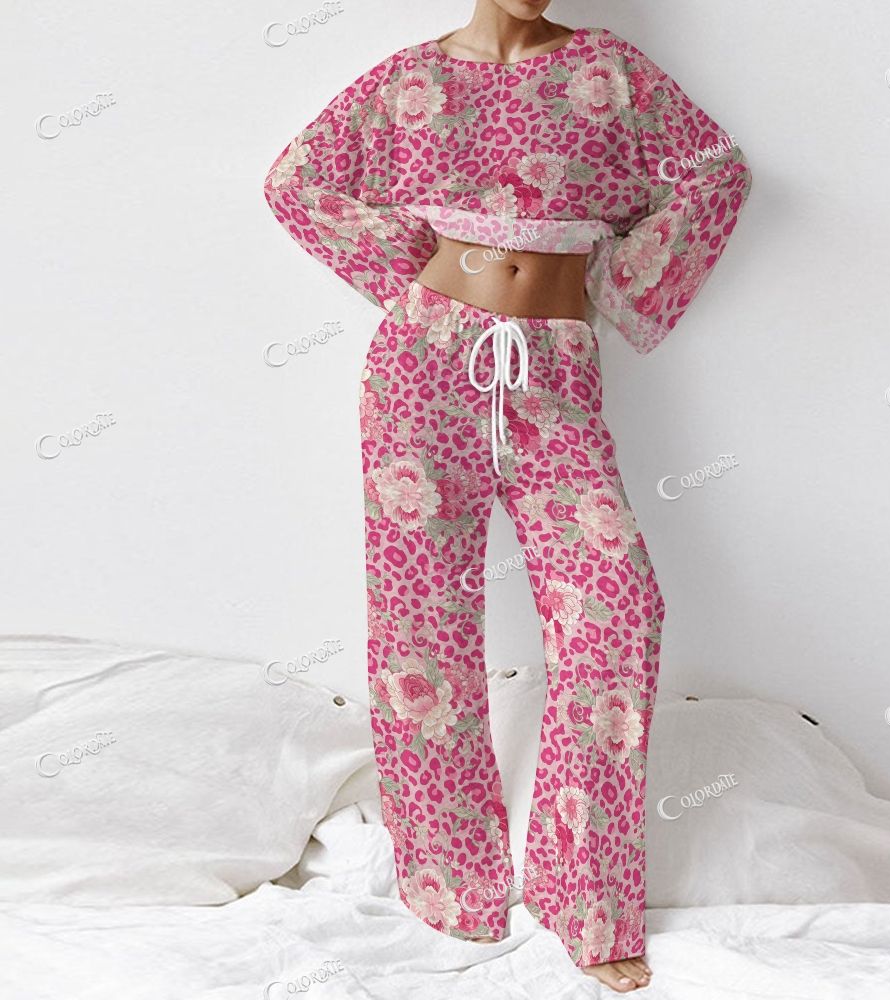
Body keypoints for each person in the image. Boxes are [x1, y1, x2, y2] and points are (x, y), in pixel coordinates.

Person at [263, 2, 752, 991]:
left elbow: (717, 172)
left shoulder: (611, 73)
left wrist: (618, 285)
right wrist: (413, 267)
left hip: (554, 370)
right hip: (422, 365)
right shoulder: (411, 80)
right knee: (422, 627)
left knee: (617, 606)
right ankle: (450, 883)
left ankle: (586, 895)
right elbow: (294, 182)